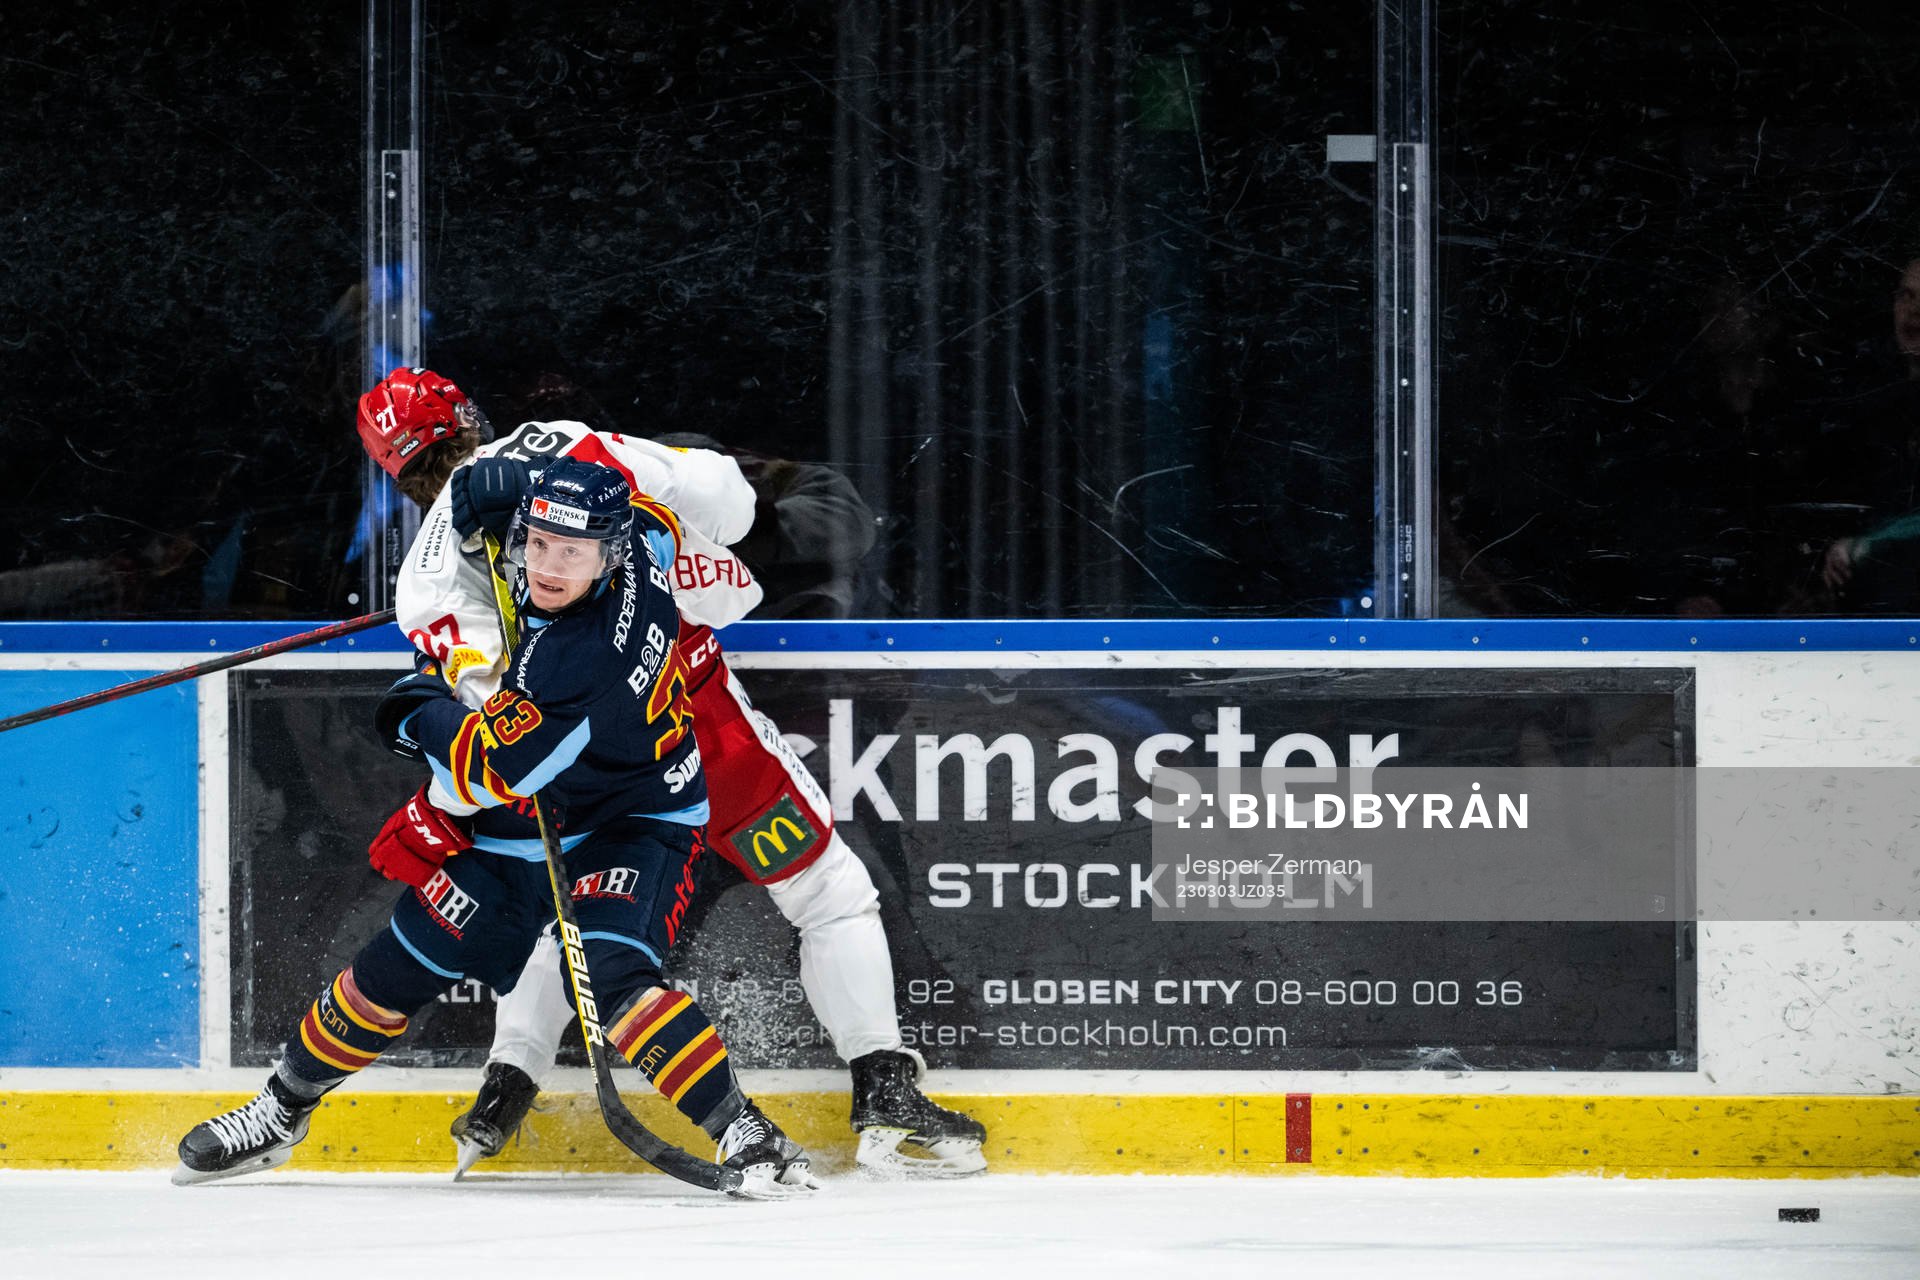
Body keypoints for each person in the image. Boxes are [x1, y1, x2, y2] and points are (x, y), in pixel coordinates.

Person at [357, 367, 986, 1176]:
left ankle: (504, 1088)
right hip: (692, 730)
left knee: (563, 909)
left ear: (396, 474)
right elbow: (727, 503)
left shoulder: (428, 578)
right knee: (828, 891)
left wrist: (442, 795)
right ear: (471, 415)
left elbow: (489, 731)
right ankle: (884, 1087)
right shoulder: (566, 448)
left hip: (575, 765)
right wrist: (700, 543)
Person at [175, 459, 816, 1197]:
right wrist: (492, 500)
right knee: (394, 969)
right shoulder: (637, 531)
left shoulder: (583, 654)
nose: (547, 566)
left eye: (570, 554)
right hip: (539, 813)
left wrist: (413, 704)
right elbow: (511, 495)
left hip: (630, 818)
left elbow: (492, 769)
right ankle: (281, 1111)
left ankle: (746, 1129)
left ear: (608, 555)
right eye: (537, 542)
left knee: (616, 979)